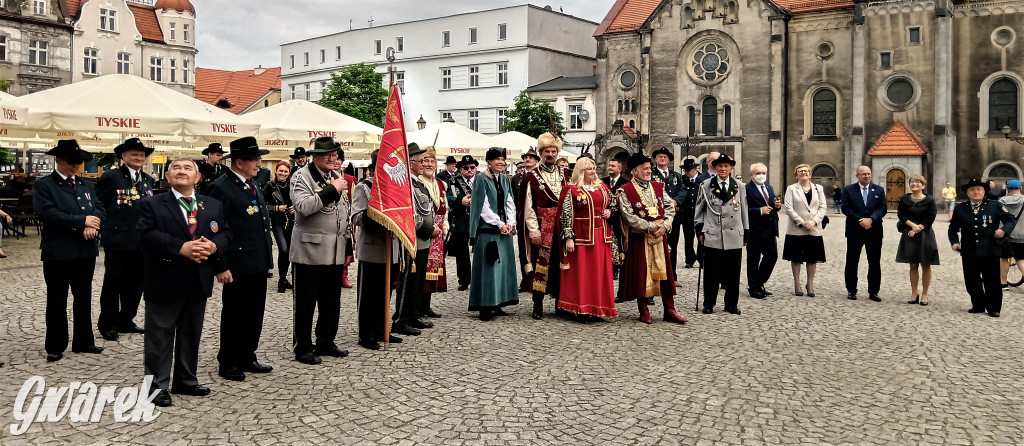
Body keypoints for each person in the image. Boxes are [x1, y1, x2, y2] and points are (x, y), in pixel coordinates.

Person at [137, 158, 230, 407]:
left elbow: (225, 232)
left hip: (198, 279)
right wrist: (181, 247)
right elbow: (145, 235)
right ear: (167, 177)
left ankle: (186, 380)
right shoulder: (152, 204)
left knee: (191, 334)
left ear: (198, 178)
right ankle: (156, 388)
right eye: (176, 168)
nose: (181, 171)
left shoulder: (212, 204)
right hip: (164, 278)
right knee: (160, 335)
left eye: (188, 168)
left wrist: (213, 246)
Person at [207, 137, 274, 381]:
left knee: (254, 312)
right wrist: (220, 265)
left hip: (256, 261)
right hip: (236, 263)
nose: (259, 163)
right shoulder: (221, 187)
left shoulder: (252, 184)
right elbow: (214, 229)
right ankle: (228, 361)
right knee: (235, 313)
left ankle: (247, 354)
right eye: (255, 159)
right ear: (239, 162)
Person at [33, 140, 105, 362]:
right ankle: (55, 345)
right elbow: (48, 213)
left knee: (83, 297)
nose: (75, 166)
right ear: (58, 160)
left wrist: (93, 224)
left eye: (78, 162)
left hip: (85, 250)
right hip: (59, 251)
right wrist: (82, 221)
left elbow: (100, 208)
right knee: (57, 299)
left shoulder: (85, 184)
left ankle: (84, 340)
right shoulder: (44, 185)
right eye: (70, 162)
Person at [289, 137, 351, 365]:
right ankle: (303, 347)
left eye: (334, 155)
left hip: (334, 250)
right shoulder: (301, 176)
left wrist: (348, 245)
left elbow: (343, 213)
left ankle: (326, 341)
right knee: (306, 303)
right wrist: (331, 191)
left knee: (331, 301)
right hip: (309, 250)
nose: (332, 159)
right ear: (314, 156)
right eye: (327, 155)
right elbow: (303, 207)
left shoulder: (335, 177)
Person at [95, 138, 156, 341]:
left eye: (141, 155)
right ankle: (108, 324)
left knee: (136, 283)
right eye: (134, 154)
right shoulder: (111, 178)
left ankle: (126, 320)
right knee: (114, 282)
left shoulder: (147, 180)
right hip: (118, 239)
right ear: (123, 156)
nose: (139, 158)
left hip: (142, 241)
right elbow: (99, 204)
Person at [616, 152, 687, 325]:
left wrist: (666, 225)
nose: (649, 171)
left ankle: (670, 310)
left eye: (649, 168)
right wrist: (651, 227)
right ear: (634, 171)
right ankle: (644, 309)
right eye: (645, 168)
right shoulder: (625, 191)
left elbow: (670, 207)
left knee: (666, 273)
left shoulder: (658, 186)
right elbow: (629, 217)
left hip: (660, 236)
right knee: (642, 274)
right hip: (640, 240)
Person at [351, 151, 403, 350]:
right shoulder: (364, 187)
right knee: (369, 294)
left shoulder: (397, 188)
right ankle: (366, 334)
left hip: (393, 247)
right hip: (373, 248)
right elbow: (356, 217)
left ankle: (382, 329)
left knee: (386, 292)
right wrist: (378, 214)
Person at [557, 157, 617, 321]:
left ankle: (597, 308)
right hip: (582, 237)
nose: (593, 171)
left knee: (600, 274)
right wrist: (568, 237)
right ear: (581, 170)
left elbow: (614, 203)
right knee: (583, 274)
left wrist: (610, 211)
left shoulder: (602, 187)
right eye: (589, 168)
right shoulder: (572, 189)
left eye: (594, 168)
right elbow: (566, 214)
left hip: (602, 236)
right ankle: (580, 308)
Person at [520, 133, 570, 319]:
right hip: (543, 226)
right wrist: (533, 230)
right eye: (547, 151)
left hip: (563, 226)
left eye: (553, 151)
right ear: (540, 153)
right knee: (540, 264)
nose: (550, 154)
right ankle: (538, 305)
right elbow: (528, 206)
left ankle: (560, 304)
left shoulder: (565, 174)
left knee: (561, 264)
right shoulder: (531, 176)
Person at [949, 178, 1016, 317]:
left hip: (990, 249)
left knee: (992, 279)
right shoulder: (960, 208)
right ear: (967, 193)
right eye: (972, 189)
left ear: (984, 191)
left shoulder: (995, 205)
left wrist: (1003, 231)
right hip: (968, 250)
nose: (976, 192)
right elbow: (953, 229)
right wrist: (954, 242)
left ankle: (994, 308)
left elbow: (1010, 220)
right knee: (971, 280)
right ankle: (978, 305)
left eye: (979, 189)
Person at [468, 147, 519, 321]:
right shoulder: (481, 179)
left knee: (502, 268)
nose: (501, 162)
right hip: (488, 229)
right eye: (497, 159)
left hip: (504, 230)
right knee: (489, 268)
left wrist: (510, 223)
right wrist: (499, 223)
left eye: (503, 160)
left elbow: (510, 202)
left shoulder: (505, 179)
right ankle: (485, 305)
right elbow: (483, 206)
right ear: (489, 161)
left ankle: (498, 302)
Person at [393, 143, 438, 336]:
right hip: (413, 238)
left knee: (418, 279)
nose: (423, 163)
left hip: (424, 239)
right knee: (408, 280)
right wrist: (429, 228)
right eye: (420, 160)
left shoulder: (418, 182)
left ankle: (412, 313)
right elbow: (409, 213)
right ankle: (401, 318)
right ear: (410, 162)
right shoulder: (404, 184)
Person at [695, 154, 749, 315]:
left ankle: (731, 304)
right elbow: (699, 210)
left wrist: (746, 232)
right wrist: (699, 230)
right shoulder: (706, 185)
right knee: (711, 272)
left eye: (726, 166)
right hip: (713, 233)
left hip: (734, 234)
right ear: (715, 168)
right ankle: (709, 303)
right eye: (720, 166)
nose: (723, 169)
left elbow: (744, 211)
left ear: (731, 168)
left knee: (733, 273)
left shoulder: (739, 186)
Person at [841, 166, 887, 301]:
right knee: (852, 261)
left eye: (868, 174)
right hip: (855, 230)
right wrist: (860, 219)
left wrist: (871, 219)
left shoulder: (879, 189)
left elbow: (883, 208)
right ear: (857, 176)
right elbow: (845, 207)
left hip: (874, 230)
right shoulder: (849, 190)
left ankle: (873, 292)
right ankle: (851, 290)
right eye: (863, 174)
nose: (866, 176)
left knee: (874, 262)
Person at [783, 164, 827, 297]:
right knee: (796, 257)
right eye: (800, 171)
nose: (804, 172)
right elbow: (788, 208)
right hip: (797, 229)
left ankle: (810, 284)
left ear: (810, 174)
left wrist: (813, 221)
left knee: (812, 258)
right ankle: (797, 284)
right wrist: (802, 222)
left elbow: (823, 207)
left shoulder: (818, 188)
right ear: (796, 174)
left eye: (806, 171)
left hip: (814, 228)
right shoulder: (791, 189)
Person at [896, 174, 939, 305]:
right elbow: (901, 215)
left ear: (923, 185)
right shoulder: (904, 199)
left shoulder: (930, 200)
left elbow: (931, 216)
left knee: (926, 264)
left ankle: (925, 293)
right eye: (912, 182)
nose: (914, 184)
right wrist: (912, 226)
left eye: (917, 182)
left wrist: (919, 227)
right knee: (913, 264)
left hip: (925, 234)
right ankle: (914, 292)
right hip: (909, 232)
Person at [650, 147, 687, 286]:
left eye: (665, 157)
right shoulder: (652, 175)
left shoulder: (676, 175)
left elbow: (683, 191)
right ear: (656, 159)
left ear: (669, 160)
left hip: (674, 216)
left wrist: (675, 201)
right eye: (660, 157)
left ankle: (672, 276)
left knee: (673, 245)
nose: (662, 159)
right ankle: (657, 277)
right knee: (658, 246)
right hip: (658, 216)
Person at [419, 148, 448, 318]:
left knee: (432, 270)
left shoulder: (440, 183)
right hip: (424, 231)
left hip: (437, 232)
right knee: (421, 270)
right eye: (426, 161)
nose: (429, 164)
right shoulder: (417, 182)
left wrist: (445, 226)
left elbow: (445, 208)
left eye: (432, 161)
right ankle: (415, 306)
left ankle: (426, 306)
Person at [745, 163, 780, 299]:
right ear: (752, 175)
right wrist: (760, 211)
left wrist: (776, 206)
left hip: (770, 228)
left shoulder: (768, 187)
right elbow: (741, 210)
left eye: (763, 173)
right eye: (758, 173)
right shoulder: (746, 188)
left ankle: (759, 282)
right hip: (754, 229)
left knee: (772, 256)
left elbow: (770, 206)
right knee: (753, 259)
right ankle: (754, 288)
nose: (761, 175)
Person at [446, 155, 477, 291]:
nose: (469, 170)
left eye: (472, 167)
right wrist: (460, 201)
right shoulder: (453, 181)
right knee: (462, 253)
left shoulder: (482, 180)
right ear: (460, 169)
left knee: (481, 251)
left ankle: (479, 278)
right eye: (466, 168)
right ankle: (464, 280)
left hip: (478, 220)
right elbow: (446, 197)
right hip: (460, 220)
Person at [264, 161, 295, 293]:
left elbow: (299, 200)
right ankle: (282, 279)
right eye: (280, 171)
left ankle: (282, 279)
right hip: (277, 222)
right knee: (283, 249)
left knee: (289, 251)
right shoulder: (270, 186)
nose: (283, 173)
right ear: (276, 171)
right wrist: (276, 208)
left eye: (285, 171)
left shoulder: (292, 186)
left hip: (291, 221)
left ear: (289, 173)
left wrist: (295, 207)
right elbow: (263, 205)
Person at [513, 148, 540, 292]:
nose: (527, 159)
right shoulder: (517, 178)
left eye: (531, 158)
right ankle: (526, 279)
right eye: (526, 158)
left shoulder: (538, 176)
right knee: (523, 250)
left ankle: (537, 279)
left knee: (536, 250)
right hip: (521, 219)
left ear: (536, 161)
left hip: (536, 218)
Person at [998, 180, 1024, 289]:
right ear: (1020, 188)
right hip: (1022, 235)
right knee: (1020, 259)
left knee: (1004, 258)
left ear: (1007, 189)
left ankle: (1003, 283)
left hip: (1005, 235)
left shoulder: (1000, 201)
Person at [679, 159, 702, 269]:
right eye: (685, 170)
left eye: (688, 170)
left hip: (699, 213)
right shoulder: (682, 180)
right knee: (688, 238)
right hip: (686, 213)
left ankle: (701, 259)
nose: (686, 172)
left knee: (701, 237)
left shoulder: (702, 179)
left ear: (695, 169)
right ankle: (690, 259)